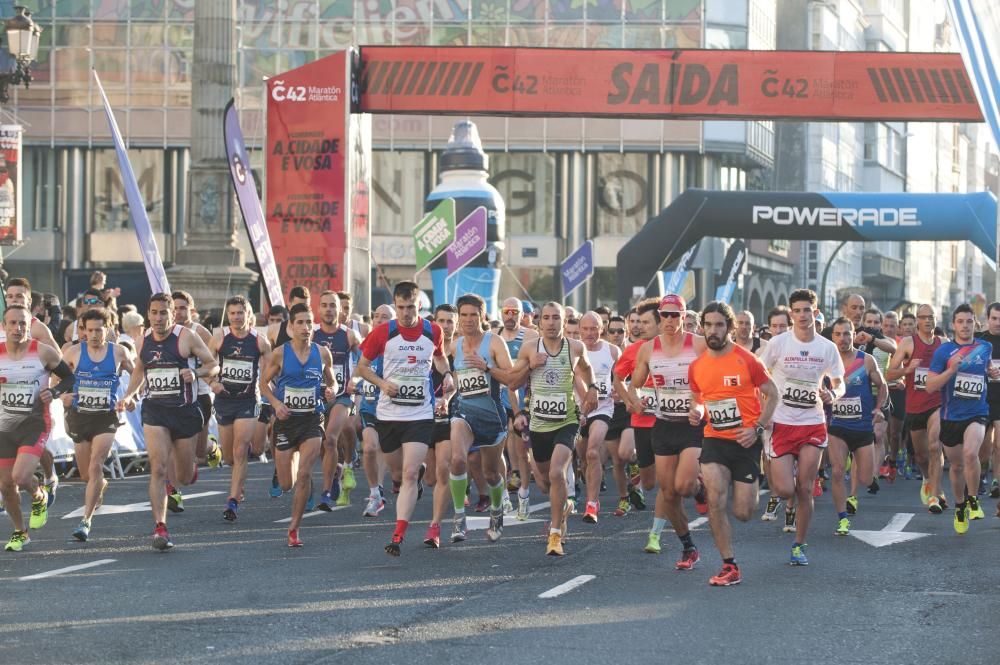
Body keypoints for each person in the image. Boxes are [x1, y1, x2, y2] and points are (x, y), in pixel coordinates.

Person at [355, 281, 452, 557]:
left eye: (411, 307)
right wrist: (382, 383)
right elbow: (361, 367)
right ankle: (415, 476)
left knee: (408, 473)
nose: (406, 313)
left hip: (420, 413)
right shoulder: (383, 332)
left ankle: (398, 534)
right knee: (398, 474)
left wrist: (446, 375)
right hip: (388, 414)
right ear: (395, 305)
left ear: (419, 305)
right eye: (401, 308)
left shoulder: (433, 331)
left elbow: (440, 358)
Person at [119, 293, 219, 551]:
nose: (159, 318)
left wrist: (195, 372)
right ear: (148, 314)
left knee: (184, 476)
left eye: (164, 312)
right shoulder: (143, 341)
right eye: (154, 312)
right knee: (159, 468)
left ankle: (192, 465)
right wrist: (130, 395)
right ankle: (160, 527)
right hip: (156, 412)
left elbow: (213, 365)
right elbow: (140, 370)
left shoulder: (186, 337)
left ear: (172, 314)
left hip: (184, 412)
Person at [689, 301, 778, 586]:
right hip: (715, 439)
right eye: (708, 325)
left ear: (728, 328)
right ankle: (729, 565)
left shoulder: (747, 359)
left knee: (743, 512)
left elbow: (772, 394)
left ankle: (750, 486)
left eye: (719, 325)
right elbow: (699, 399)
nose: (713, 331)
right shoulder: (697, 366)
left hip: (746, 441)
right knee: (715, 498)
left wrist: (758, 428)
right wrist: (698, 412)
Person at [758, 288, 844, 566]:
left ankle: (799, 545)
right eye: (797, 310)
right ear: (791, 313)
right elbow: (759, 375)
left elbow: (839, 380)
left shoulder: (826, 347)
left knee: (805, 488)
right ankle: (790, 497)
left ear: (815, 313)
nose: (802, 315)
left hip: (812, 423)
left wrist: (834, 394)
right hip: (781, 422)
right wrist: (764, 410)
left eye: (807, 310)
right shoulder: (779, 343)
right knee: (784, 489)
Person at [511, 301, 598, 556]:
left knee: (558, 472)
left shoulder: (575, 347)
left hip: (567, 422)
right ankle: (566, 507)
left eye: (556, 318)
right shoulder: (529, 348)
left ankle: (555, 535)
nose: (551, 322)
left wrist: (592, 388)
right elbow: (513, 383)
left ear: (564, 322)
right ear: (539, 323)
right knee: (546, 483)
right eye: (546, 318)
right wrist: (530, 366)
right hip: (539, 424)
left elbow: (586, 369)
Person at [627, 294, 707, 568]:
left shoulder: (698, 344)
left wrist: (703, 408)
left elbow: (714, 380)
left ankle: (698, 489)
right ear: (660, 317)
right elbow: (634, 383)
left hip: (692, 425)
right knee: (668, 493)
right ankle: (688, 547)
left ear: (684, 317)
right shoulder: (649, 349)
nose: (670, 320)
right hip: (663, 425)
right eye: (665, 315)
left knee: (683, 485)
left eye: (676, 315)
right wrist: (635, 400)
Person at [259, 303, 337, 546]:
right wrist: (276, 403)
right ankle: (285, 472)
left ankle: (294, 528)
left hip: (312, 419)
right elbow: (263, 384)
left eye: (308, 323)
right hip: (285, 421)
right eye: (300, 323)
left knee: (304, 474)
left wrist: (331, 391)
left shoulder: (322, 353)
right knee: (286, 483)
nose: (305, 327)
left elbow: (332, 381)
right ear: (291, 327)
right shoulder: (280, 353)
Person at [445, 294, 519, 544]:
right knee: (457, 460)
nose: (467, 320)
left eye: (473, 315)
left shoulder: (494, 342)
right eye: (463, 315)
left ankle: (497, 511)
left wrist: (486, 367)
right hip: (463, 412)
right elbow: (458, 382)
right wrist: (446, 396)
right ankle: (458, 517)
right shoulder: (454, 346)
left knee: (490, 473)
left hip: (491, 415)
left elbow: (512, 379)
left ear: (482, 316)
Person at [0, 306, 75, 551]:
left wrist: (53, 392)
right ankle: (21, 532)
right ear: (4, 326)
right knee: (5, 485)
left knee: (20, 477)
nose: (17, 328)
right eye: (12, 323)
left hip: (34, 424)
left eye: (22, 323)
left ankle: (38, 493)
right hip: (4, 426)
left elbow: (70, 378)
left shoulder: (42, 352)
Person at [61, 308, 135, 541]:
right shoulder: (73, 352)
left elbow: (139, 374)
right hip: (79, 416)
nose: (93, 334)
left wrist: (132, 396)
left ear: (108, 329)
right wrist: (63, 395)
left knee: (95, 466)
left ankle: (86, 521)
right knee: (86, 474)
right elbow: (56, 380)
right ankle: (99, 485)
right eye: (89, 330)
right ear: (83, 330)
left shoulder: (119, 352)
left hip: (106, 417)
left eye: (98, 329)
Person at [925, 304, 995, 533]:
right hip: (950, 415)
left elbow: (987, 370)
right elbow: (929, 386)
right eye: (960, 321)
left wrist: (992, 373)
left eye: (969, 321)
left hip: (977, 412)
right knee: (955, 465)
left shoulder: (985, 347)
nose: (965, 326)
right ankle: (959, 505)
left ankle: (973, 499)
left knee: (970, 453)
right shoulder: (944, 352)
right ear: (953, 324)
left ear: (975, 323)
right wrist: (950, 371)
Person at [209, 296, 272, 522]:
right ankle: (237, 481)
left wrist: (268, 389)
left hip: (248, 401)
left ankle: (233, 500)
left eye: (240, 313)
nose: (236, 317)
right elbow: (207, 366)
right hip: (225, 401)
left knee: (240, 449)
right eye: (232, 313)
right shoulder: (219, 339)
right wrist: (212, 382)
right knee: (228, 456)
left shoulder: (259, 341)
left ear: (248, 314)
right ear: (228, 316)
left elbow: (271, 368)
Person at [827, 318, 887, 536]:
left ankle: (858, 463)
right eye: (838, 334)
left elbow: (882, 386)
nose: (843, 338)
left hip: (862, 427)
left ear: (854, 335)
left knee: (866, 479)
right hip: (837, 425)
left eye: (846, 333)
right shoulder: (827, 363)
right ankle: (843, 518)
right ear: (832, 337)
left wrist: (879, 408)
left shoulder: (867, 361)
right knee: (836, 471)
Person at [887, 304, 947, 513]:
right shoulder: (907, 343)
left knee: (934, 446)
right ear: (918, 321)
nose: (928, 321)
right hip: (914, 406)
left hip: (937, 403)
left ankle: (935, 496)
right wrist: (907, 369)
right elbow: (889, 374)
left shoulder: (943, 343)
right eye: (924, 317)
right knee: (921, 456)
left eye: (931, 317)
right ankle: (928, 478)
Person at [312, 291, 363, 511]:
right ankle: (334, 475)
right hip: (317, 396)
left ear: (339, 309)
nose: (329, 309)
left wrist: (355, 379)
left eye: (333, 305)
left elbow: (365, 363)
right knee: (324, 445)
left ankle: (325, 492)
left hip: (343, 395)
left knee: (331, 438)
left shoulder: (350, 335)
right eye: (324, 305)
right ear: (319, 309)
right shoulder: (311, 334)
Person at [614, 298, 664, 513]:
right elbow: (617, 378)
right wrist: (629, 401)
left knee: (670, 480)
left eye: (645, 323)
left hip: (669, 420)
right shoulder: (634, 349)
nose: (639, 327)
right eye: (638, 322)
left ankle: (659, 528)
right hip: (642, 419)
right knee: (650, 482)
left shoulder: (675, 348)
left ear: (660, 323)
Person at [578, 311, 621, 524]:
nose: (589, 333)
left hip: (603, 409)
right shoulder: (574, 350)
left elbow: (623, 380)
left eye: (593, 328)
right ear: (579, 330)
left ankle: (592, 504)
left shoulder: (612, 351)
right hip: (577, 412)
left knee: (593, 452)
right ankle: (589, 481)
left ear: (601, 329)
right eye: (585, 329)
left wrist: (618, 392)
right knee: (583, 457)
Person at [498, 297, 538, 520]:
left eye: (515, 312)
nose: (510, 315)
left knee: (522, 451)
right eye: (507, 311)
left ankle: (523, 493)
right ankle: (503, 495)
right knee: (498, 449)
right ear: (501, 313)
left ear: (522, 314)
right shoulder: (494, 337)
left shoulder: (531, 336)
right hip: (499, 399)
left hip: (523, 401)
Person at [172, 291, 222, 471]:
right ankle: (173, 486)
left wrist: (202, 375)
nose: (178, 312)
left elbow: (214, 362)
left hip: (199, 394)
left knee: (199, 453)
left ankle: (211, 446)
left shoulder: (199, 331)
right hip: (174, 395)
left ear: (191, 310)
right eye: (175, 308)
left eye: (182, 308)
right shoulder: (166, 332)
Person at [360, 304, 396, 518]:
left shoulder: (398, 346)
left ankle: (395, 481)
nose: (379, 321)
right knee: (370, 448)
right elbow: (357, 371)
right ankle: (375, 494)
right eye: (376, 317)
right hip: (370, 406)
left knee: (393, 459)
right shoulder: (366, 344)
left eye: (385, 317)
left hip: (394, 409)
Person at [974, 302, 1000, 502]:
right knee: (984, 445)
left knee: (999, 444)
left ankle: (996, 482)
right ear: (987, 319)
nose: (998, 323)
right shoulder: (979, 341)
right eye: (994, 318)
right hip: (983, 397)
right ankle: (981, 475)